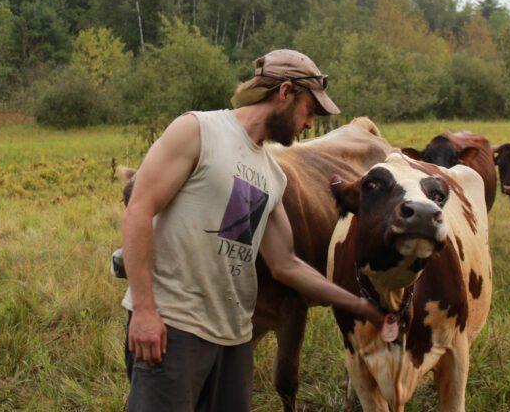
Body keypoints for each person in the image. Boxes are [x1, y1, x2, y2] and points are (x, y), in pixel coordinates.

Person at [120, 49, 383, 411]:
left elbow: (285, 264)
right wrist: (146, 311)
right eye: (309, 111)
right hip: (174, 326)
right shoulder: (198, 129)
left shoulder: (273, 174)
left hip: (233, 338)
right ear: (285, 92)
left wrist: (357, 303)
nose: (309, 125)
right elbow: (139, 210)